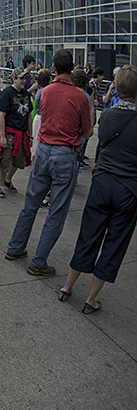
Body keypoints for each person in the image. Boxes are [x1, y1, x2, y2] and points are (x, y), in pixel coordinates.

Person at [58, 65, 137, 313]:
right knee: (114, 243)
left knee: (88, 234)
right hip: (128, 188)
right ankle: (91, 299)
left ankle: (67, 287)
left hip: (102, 182)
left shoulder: (109, 115)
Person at [5, 49, 92, 275]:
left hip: (44, 150)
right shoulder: (80, 97)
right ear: (72, 69)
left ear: (53, 68)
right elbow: (87, 130)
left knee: (31, 203)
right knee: (57, 210)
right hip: (65, 153)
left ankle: (15, 246)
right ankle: (39, 261)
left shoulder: (44, 92)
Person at [0, 68, 33, 198]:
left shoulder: (26, 94)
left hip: (22, 133)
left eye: (25, 78)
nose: (23, 81)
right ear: (14, 79)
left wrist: (30, 134)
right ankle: (0, 186)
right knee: (5, 160)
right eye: (21, 78)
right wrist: (3, 136)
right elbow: (1, 115)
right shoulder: (7, 93)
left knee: (19, 160)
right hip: (10, 133)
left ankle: (7, 180)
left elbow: (28, 116)